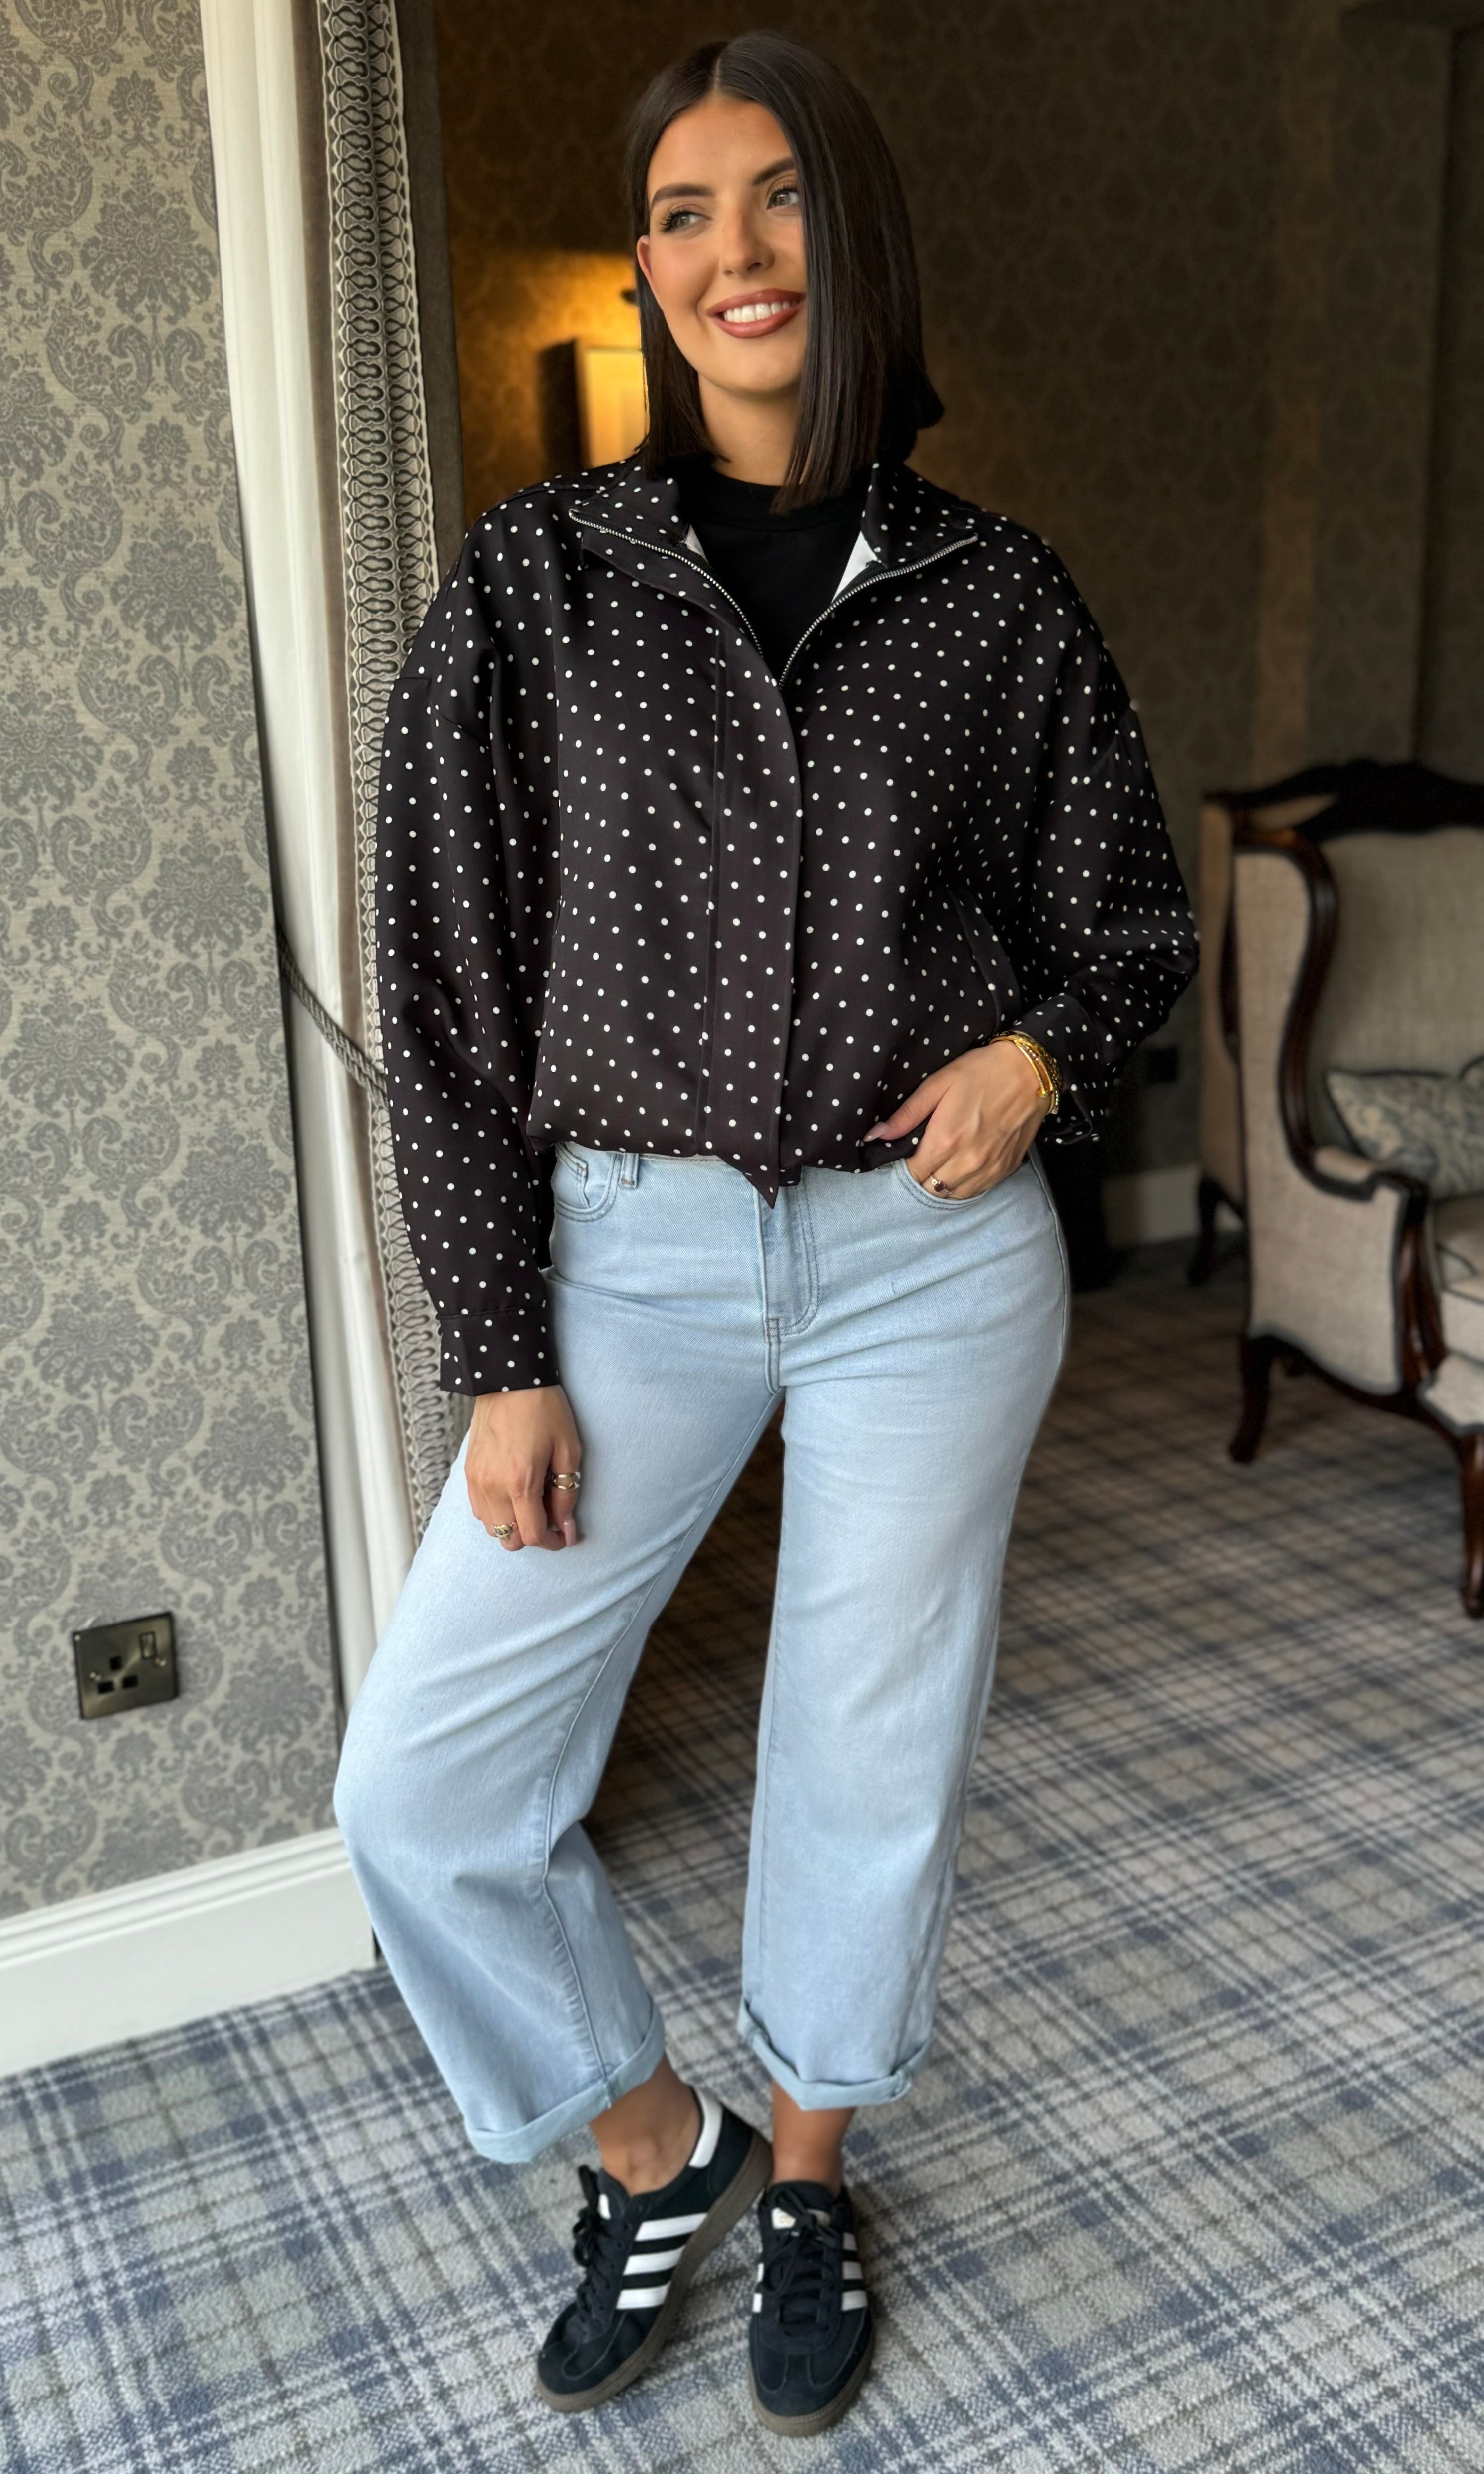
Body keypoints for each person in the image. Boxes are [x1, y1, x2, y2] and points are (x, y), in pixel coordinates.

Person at [334, 29, 1197, 2438]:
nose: (738, 250)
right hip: (626, 1262)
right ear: (645, 269)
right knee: (423, 1790)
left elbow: (1130, 925)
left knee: (863, 1744)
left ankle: (808, 2170)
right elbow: (445, 986)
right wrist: (502, 1345)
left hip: (933, 1263)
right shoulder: (537, 584)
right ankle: (656, 2145)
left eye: (783, 195)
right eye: (687, 211)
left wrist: (1038, 1062)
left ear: (855, 233)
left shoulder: (1000, 598)